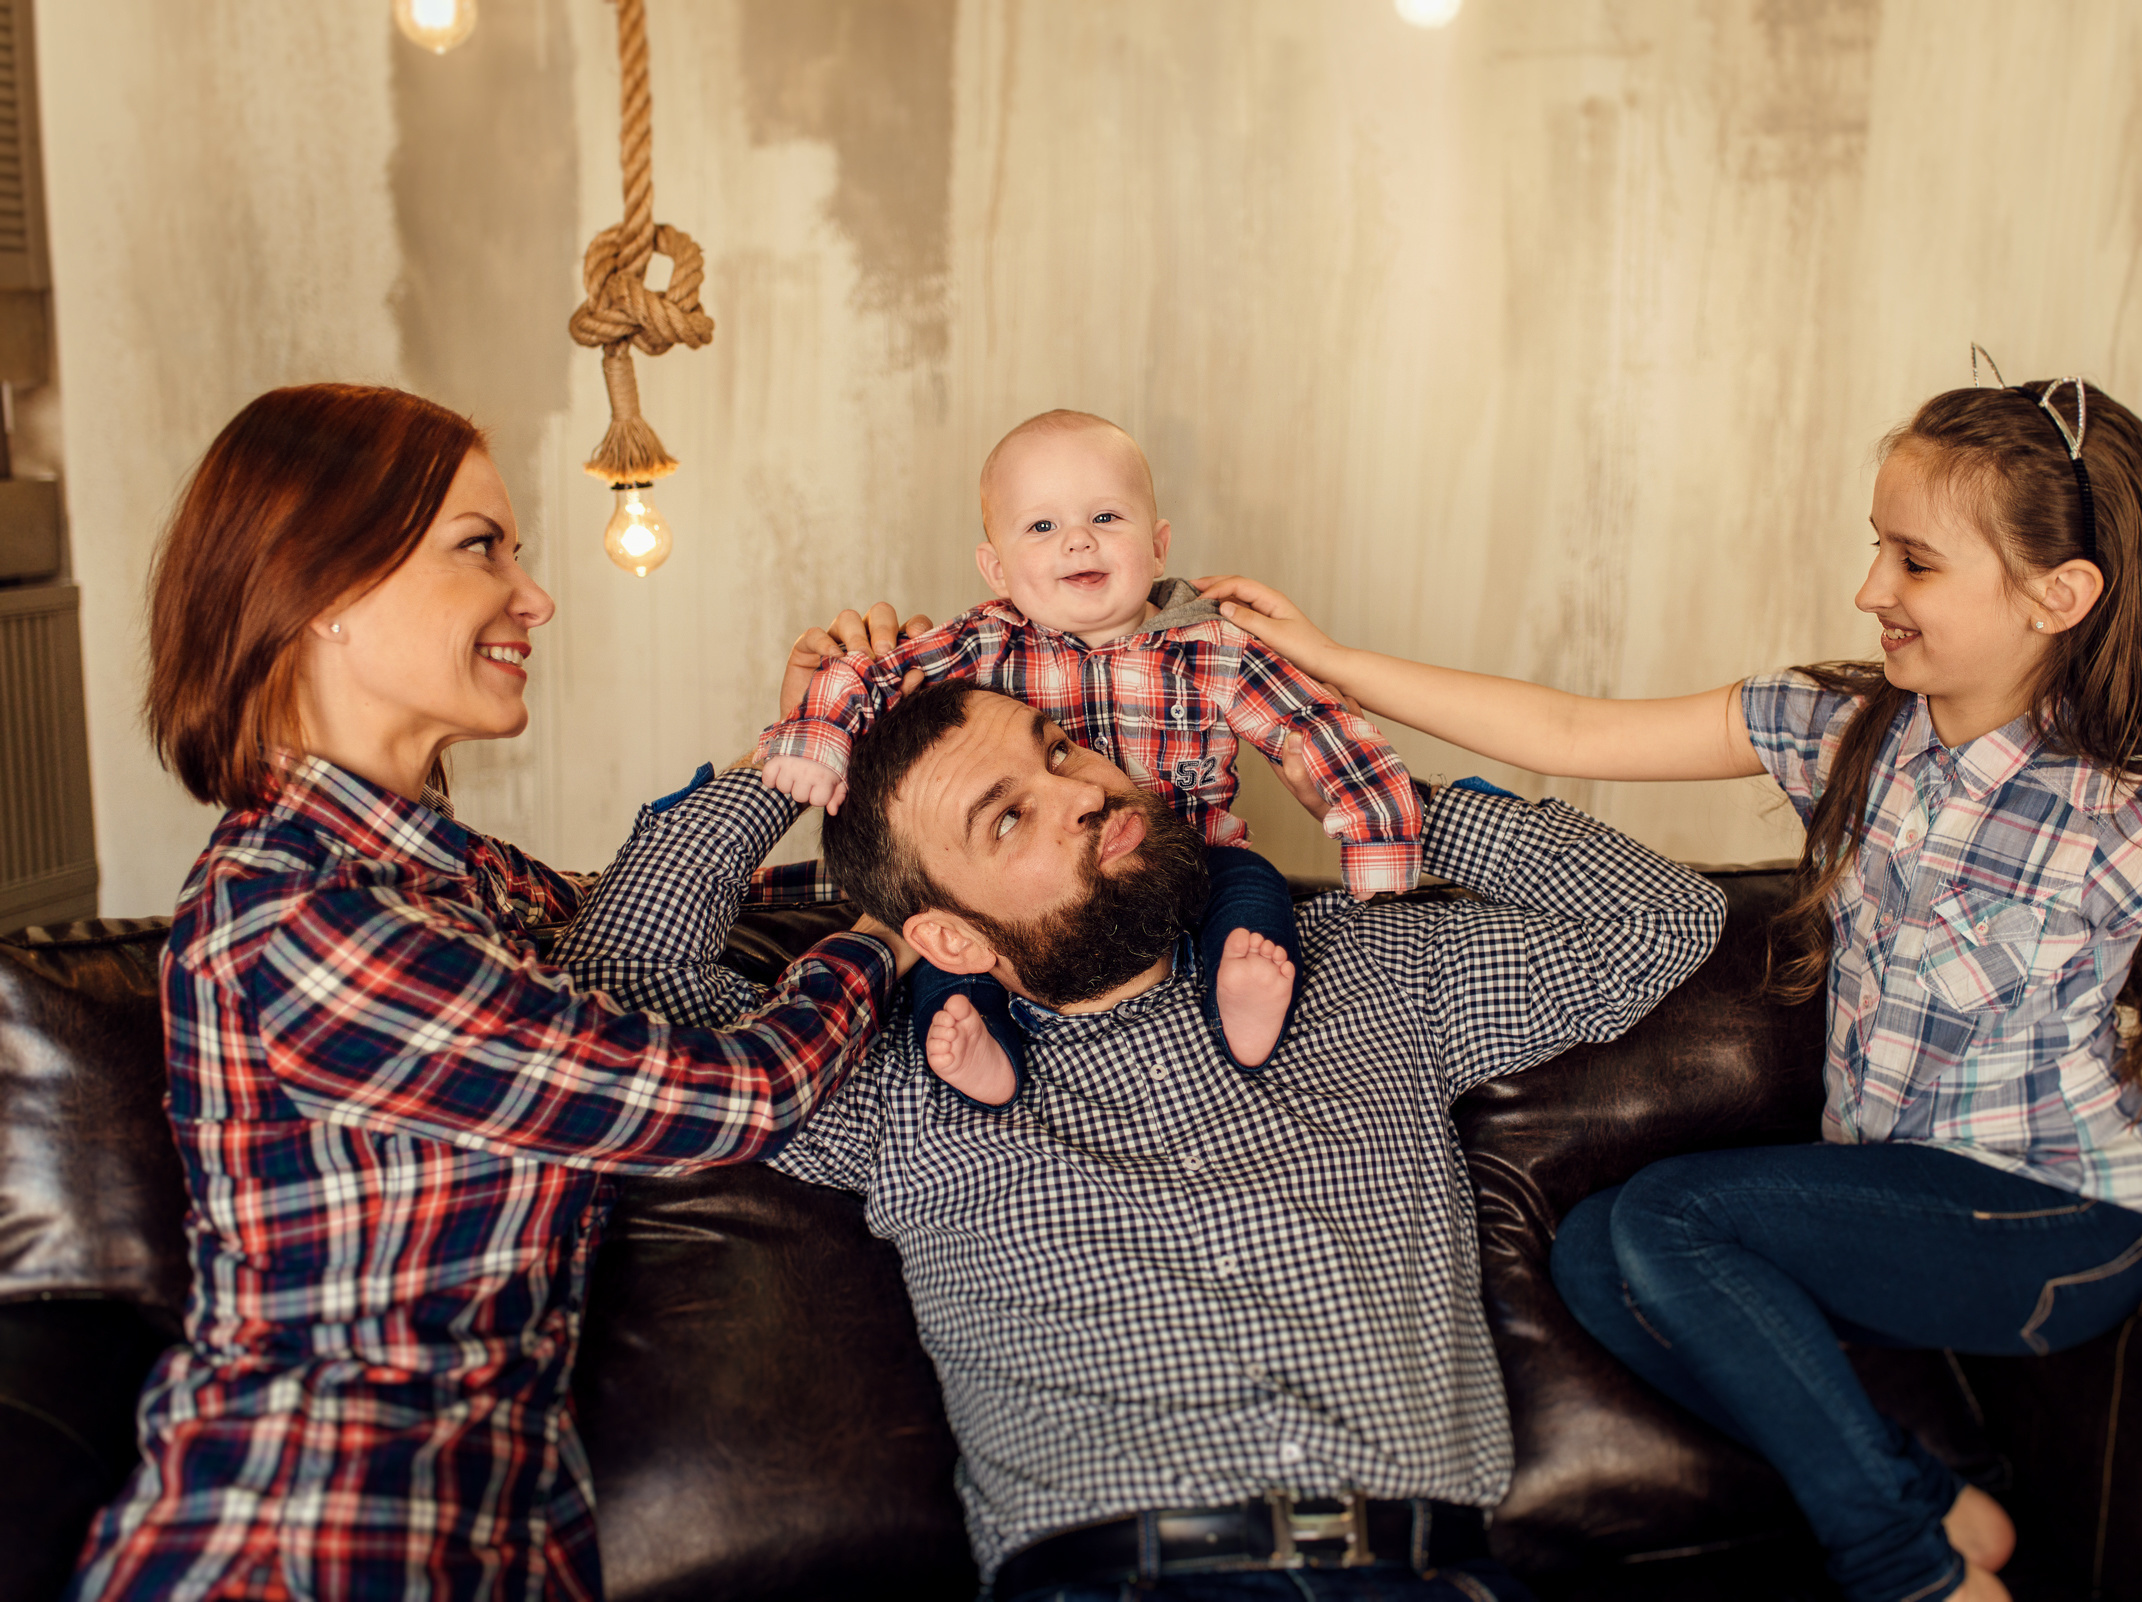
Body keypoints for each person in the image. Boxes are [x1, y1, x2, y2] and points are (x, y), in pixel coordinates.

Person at [1195, 374, 2142, 1602]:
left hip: (2061, 1223)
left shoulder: (2124, 814)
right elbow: (1571, 732)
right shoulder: (1845, 730)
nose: (1871, 589)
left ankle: (1911, 1572)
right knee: (1593, 1258)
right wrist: (1333, 663)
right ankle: (1926, 1502)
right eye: (1877, 547)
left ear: (2056, 597)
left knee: (1667, 1222)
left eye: (1915, 562)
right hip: (1894, 1197)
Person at [598, 667, 1723, 1597]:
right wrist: (805, 744)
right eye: (1008, 816)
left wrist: (1383, 797)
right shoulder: (890, 1082)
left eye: (1058, 748)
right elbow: (625, 974)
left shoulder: (1371, 967)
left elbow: (1665, 918)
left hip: (1431, 1573)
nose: (1081, 792)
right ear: (948, 939)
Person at [71, 385, 907, 1602]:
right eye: (482, 548)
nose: (536, 596)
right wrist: (884, 938)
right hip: (304, 1542)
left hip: (482, 1534)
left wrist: (807, 747)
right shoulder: (295, 918)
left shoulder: (444, 878)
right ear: (324, 586)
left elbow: (641, 910)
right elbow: (732, 1098)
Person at [753, 408, 1422, 1101]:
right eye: (1042, 526)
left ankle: (1241, 998)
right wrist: (819, 739)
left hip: (1194, 854)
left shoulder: (1214, 649)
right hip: (1044, 901)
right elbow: (873, 669)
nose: (1078, 540)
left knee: (1253, 890)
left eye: (1106, 517)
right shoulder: (984, 643)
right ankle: (983, 1048)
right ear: (997, 568)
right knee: (954, 956)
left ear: (1157, 547)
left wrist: (1377, 837)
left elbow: (1318, 725)